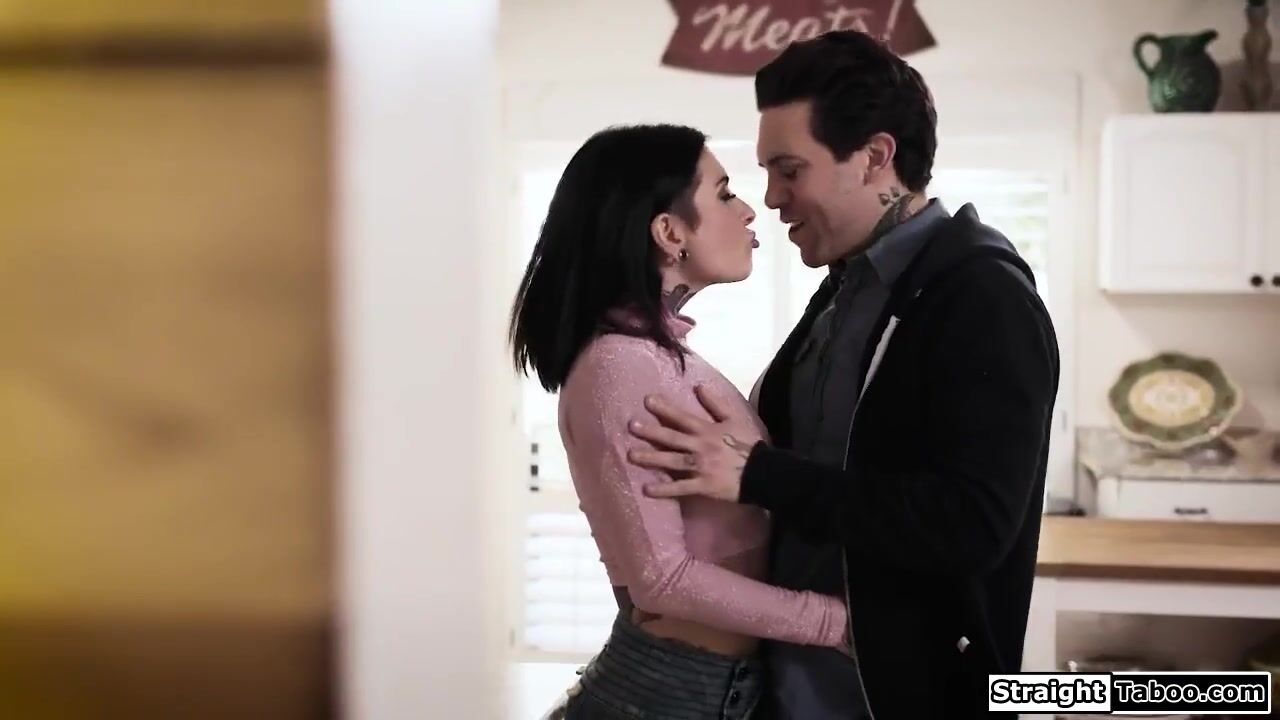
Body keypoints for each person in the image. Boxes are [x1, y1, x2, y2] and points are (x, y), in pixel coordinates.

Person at [626, 31, 1061, 719]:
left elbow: (973, 524)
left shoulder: (984, 298)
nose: (772, 198)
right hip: (793, 686)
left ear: (876, 157)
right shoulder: (845, 288)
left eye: (790, 170)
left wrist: (758, 475)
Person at [509, 123, 852, 720]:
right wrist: (837, 623)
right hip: (666, 698)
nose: (750, 210)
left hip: (699, 690)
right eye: (724, 193)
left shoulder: (655, 356)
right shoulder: (620, 365)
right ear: (670, 233)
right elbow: (659, 578)